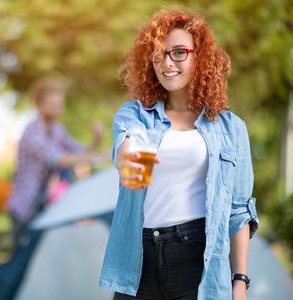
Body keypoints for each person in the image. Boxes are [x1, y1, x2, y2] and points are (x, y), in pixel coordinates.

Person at [99, 7, 258, 300]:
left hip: (196, 259)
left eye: (178, 52)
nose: (167, 63)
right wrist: (127, 158)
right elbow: (124, 147)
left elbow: (239, 212)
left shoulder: (231, 128)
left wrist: (239, 283)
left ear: (200, 56)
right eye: (159, 54)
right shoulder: (135, 115)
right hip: (139, 260)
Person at [0, 77, 110, 300]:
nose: (58, 109)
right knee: (19, 264)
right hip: (25, 209)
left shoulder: (56, 130)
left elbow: (78, 153)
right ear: (39, 105)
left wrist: (96, 141)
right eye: (53, 104)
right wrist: (101, 155)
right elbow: (61, 160)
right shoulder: (32, 133)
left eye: (59, 104)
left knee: (36, 261)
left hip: (44, 208)